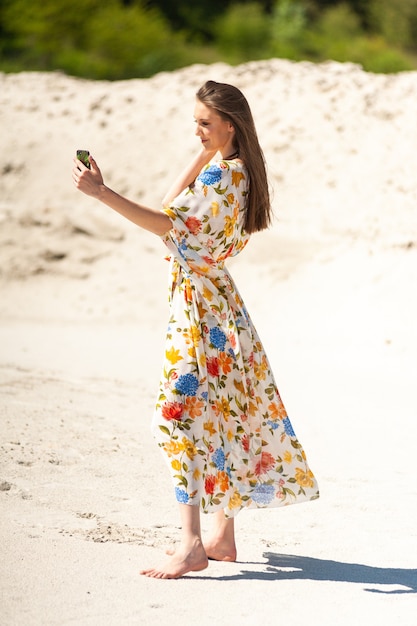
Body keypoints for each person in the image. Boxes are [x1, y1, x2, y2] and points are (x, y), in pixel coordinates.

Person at [72, 80, 319, 579]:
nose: (198, 130)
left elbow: (165, 221)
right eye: (195, 123)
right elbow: (171, 203)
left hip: (201, 309)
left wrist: (102, 194)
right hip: (220, 305)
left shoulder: (222, 180)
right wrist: (205, 148)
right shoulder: (237, 171)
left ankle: (191, 545)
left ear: (232, 123)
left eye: (205, 123)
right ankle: (222, 536)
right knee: (222, 413)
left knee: (176, 417)